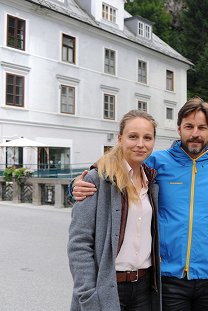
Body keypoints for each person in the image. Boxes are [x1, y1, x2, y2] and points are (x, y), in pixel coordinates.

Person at [72, 97, 208, 311]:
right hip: (168, 276)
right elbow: (115, 166)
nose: (195, 133)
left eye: (202, 127)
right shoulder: (157, 162)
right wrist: (75, 184)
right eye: (189, 126)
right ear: (178, 129)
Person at [67, 110, 161, 311]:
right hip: (109, 288)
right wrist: (87, 294)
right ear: (120, 138)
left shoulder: (151, 182)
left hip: (144, 288)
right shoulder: (98, 179)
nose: (140, 144)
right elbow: (79, 243)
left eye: (147, 138)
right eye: (133, 137)